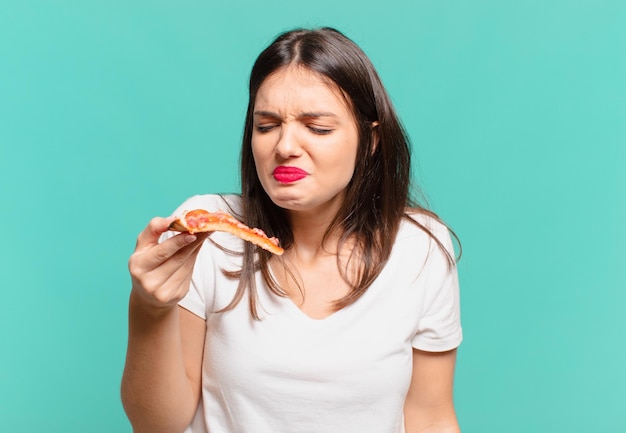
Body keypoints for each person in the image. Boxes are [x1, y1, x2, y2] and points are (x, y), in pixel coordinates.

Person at [121, 27, 462, 433]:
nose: (285, 146)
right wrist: (149, 309)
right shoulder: (209, 233)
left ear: (370, 141)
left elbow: (430, 416)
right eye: (266, 126)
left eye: (316, 127)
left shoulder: (420, 249)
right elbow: (157, 424)